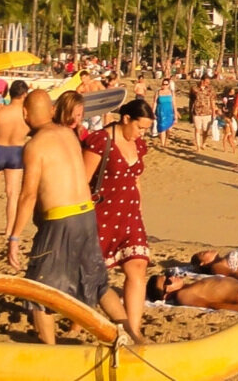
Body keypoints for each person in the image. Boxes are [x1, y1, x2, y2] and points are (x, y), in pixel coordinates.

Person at [7, 90, 128, 344]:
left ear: (25, 114)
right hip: (86, 214)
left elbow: (28, 195)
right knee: (98, 282)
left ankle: (51, 352)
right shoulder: (69, 135)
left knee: (40, 288)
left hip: (61, 219)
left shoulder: (34, 146)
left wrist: (15, 237)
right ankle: (134, 336)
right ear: (52, 111)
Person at [83, 98, 155, 344]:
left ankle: (134, 331)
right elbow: (83, 180)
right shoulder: (100, 142)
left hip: (130, 213)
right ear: (126, 119)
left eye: (146, 129)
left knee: (137, 267)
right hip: (102, 213)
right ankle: (77, 320)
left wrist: (140, 208)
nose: (142, 133)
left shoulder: (139, 145)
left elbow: (135, 179)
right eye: (140, 127)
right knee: (95, 274)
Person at [0, 78, 29, 241]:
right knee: (12, 193)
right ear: (24, 95)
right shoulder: (26, 115)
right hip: (16, 152)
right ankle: (9, 230)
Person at [191, 78, 216, 149]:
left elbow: (212, 100)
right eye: (206, 82)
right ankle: (198, 146)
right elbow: (192, 100)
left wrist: (213, 111)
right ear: (202, 81)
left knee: (205, 130)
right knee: (197, 129)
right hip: (197, 112)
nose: (207, 84)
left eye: (208, 83)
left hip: (207, 112)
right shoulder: (194, 88)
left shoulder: (210, 90)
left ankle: (203, 142)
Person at [153, 79, 175, 147]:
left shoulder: (171, 92)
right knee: (162, 128)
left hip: (169, 112)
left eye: (166, 84)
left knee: (169, 129)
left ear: (168, 85)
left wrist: (176, 113)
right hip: (161, 112)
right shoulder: (158, 92)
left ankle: (166, 140)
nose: (164, 86)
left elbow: (174, 104)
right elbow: (155, 103)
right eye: (163, 84)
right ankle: (163, 144)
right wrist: (152, 112)